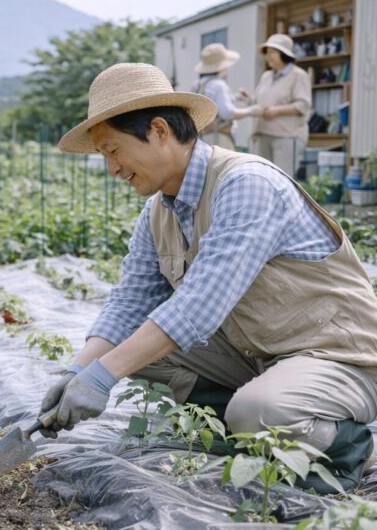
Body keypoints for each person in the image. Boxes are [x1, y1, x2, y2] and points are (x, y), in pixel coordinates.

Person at [40, 62, 377, 493]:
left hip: (337, 355)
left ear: (160, 130)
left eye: (113, 150)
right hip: (261, 352)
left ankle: (348, 447)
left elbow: (199, 305)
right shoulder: (159, 210)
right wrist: (77, 372)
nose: (112, 169)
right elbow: (130, 302)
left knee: (258, 410)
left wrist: (103, 377)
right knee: (138, 351)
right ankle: (241, 431)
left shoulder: (247, 184)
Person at [239, 33, 313, 177]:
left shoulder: (298, 75)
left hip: (286, 137)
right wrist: (249, 100)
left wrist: (275, 111)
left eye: (273, 52)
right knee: (261, 179)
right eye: (267, 53)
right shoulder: (266, 76)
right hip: (262, 134)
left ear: (285, 54)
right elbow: (262, 102)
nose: (269, 56)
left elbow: (303, 105)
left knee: (281, 180)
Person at [192, 43, 252, 150]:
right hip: (218, 136)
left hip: (201, 136)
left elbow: (212, 103)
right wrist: (252, 111)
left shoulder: (197, 84)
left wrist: (236, 97)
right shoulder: (219, 85)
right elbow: (227, 113)